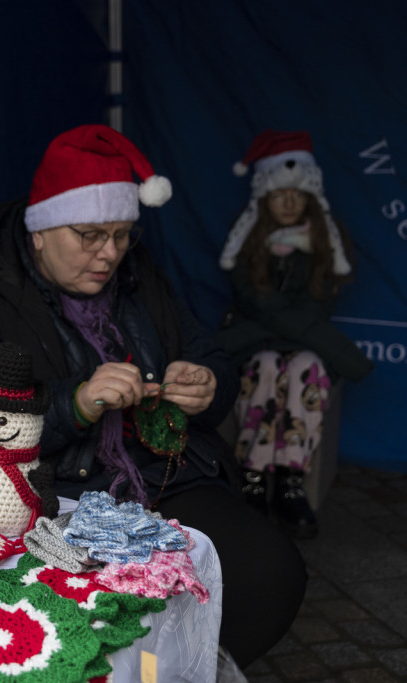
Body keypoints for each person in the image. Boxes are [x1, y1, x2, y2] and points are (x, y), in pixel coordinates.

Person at [0, 124, 305, 668]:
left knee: (269, 573)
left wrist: (208, 385)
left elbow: (209, 355)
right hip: (52, 495)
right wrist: (75, 402)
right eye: (90, 235)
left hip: (166, 475)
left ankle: (188, 667)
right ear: (40, 231)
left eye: (122, 235)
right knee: (86, 620)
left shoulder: (137, 276)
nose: (109, 254)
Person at [216, 130, 373, 538]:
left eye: (297, 194)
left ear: (309, 199)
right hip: (260, 347)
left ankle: (289, 480)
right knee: (267, 367)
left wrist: (273, 324)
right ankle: (253, 476)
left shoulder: (326, 244)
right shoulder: (246, 240)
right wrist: (274, 324)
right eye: (279, 194)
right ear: (264, 199)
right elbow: (253, 301)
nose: (288, 202)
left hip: (301, 343)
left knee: (307, 367)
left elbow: (316, 310)